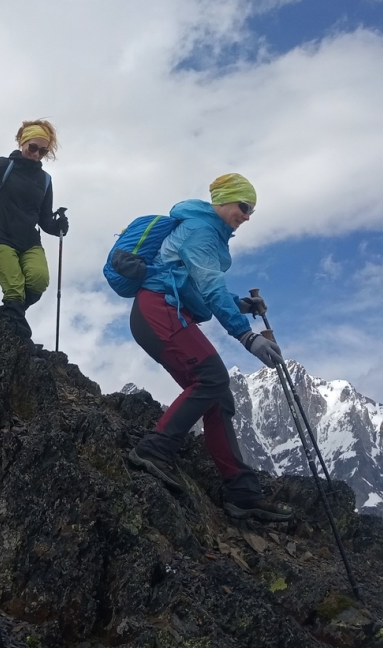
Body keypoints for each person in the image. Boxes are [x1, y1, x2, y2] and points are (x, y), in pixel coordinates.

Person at [126, 173, 294, 521]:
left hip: (164, 310)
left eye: (252, 211)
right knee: (211, 378)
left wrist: (241, 306)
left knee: (219, 398)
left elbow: (202, 287)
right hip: (159, 308)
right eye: (244, 206)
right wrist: (247, 336)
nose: (247, 216)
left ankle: (242, 492)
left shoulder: (207, 232)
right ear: (224, 201)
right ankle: (153, 450)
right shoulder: (202, 232)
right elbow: (212, 291)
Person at [0, 120, 69, 352]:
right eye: (33, 148)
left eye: (43, 151)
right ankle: (20, 340)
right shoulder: (4, 166)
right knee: (14, 290)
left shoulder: (45, 180)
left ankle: (7, 318)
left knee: (39, 280)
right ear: (22, 143)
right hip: (0, 237)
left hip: (30, 242)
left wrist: (58, 226)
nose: (37, 154)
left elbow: (45, 219)